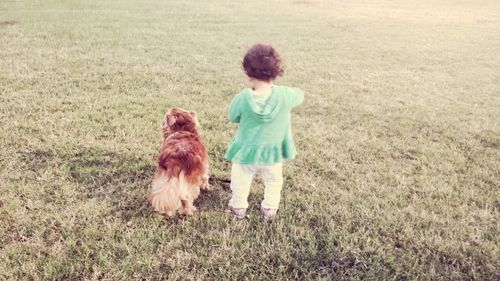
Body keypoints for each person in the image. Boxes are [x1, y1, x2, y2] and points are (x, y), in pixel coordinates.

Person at [225, 43, 304, 218]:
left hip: (246, 152)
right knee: (274, 180)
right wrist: (281, 92)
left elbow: (233, 117)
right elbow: (300, 95)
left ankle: (238, 207)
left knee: (240, 180)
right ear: (276, 71)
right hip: (273, 152)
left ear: (248, 73)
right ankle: (270, 208)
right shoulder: (285, 95)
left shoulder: (243, 98)